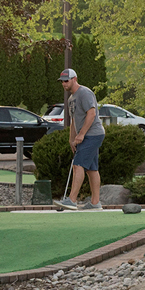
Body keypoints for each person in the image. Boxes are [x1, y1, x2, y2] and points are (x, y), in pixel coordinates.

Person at [56, 68, 105, 210]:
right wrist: (72, 139)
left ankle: (71, 200)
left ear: (74, 79)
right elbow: (74, 121)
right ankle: (95, 203)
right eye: (62, 82)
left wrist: (82, 134)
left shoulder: (84, 93)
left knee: (78, 165)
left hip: (93, 134)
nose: (64, 84)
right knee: (91, 169)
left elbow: (91, 114)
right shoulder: (71, 99)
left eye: (66, 81)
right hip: (86, 136)